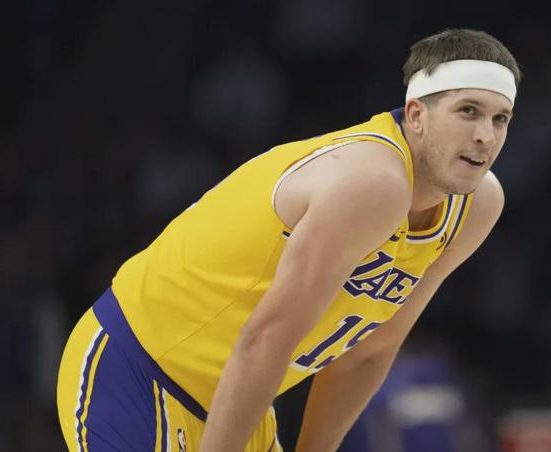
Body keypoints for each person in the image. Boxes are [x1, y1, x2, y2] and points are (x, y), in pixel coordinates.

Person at [57, 28, 521, 452]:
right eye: (468, 111)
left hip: (238, 398)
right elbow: (267, 337)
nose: (485, 136)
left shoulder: (477, 205)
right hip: (139, 370)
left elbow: (370, 350)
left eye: (500, 119)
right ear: (417, 115)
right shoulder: (373, 182)